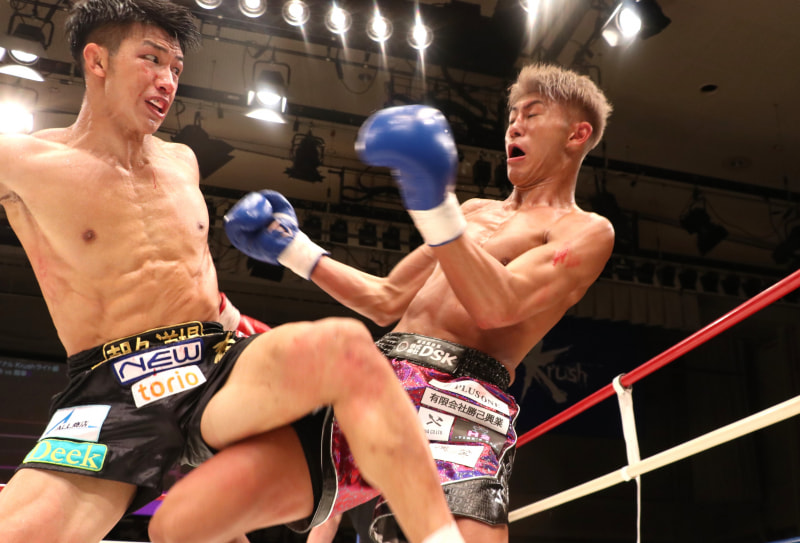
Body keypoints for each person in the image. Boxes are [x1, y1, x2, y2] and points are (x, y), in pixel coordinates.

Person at [0, 2, 468, 543]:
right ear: (97, 61)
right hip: (114, 387)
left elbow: (182, 274)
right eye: (151, 59)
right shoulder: (25, 161)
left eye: (176, 68)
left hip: (213, 364)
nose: (167, 80)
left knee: (344, 346)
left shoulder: (182, 162)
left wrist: (236, 319)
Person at [159, 62, 616, 543]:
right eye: (512, 117)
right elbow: (386, 299)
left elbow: (498, 305)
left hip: (463, 396)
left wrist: (433, 207)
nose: (514, 127)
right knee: (188, 521)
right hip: (379, 377)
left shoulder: (583, 231)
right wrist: (293, 250)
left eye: (533, 114)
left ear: (577, 134)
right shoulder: (471, 214)